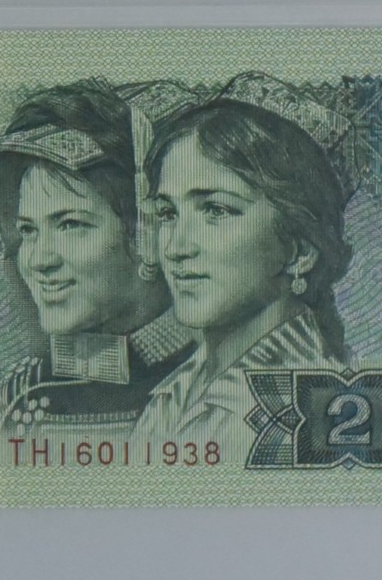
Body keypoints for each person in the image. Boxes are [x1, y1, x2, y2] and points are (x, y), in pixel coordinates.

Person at [0, 80, 195, 465]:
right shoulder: (1, 406)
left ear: (147, 231)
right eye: (28, 231)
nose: (38, 260)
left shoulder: (228, 384)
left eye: (70, 225)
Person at [130, 90, 353, 468]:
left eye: (215, 210)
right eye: (168, 214)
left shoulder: (314, 408)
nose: (176, 248)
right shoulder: (175, 392)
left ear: (299, 250)